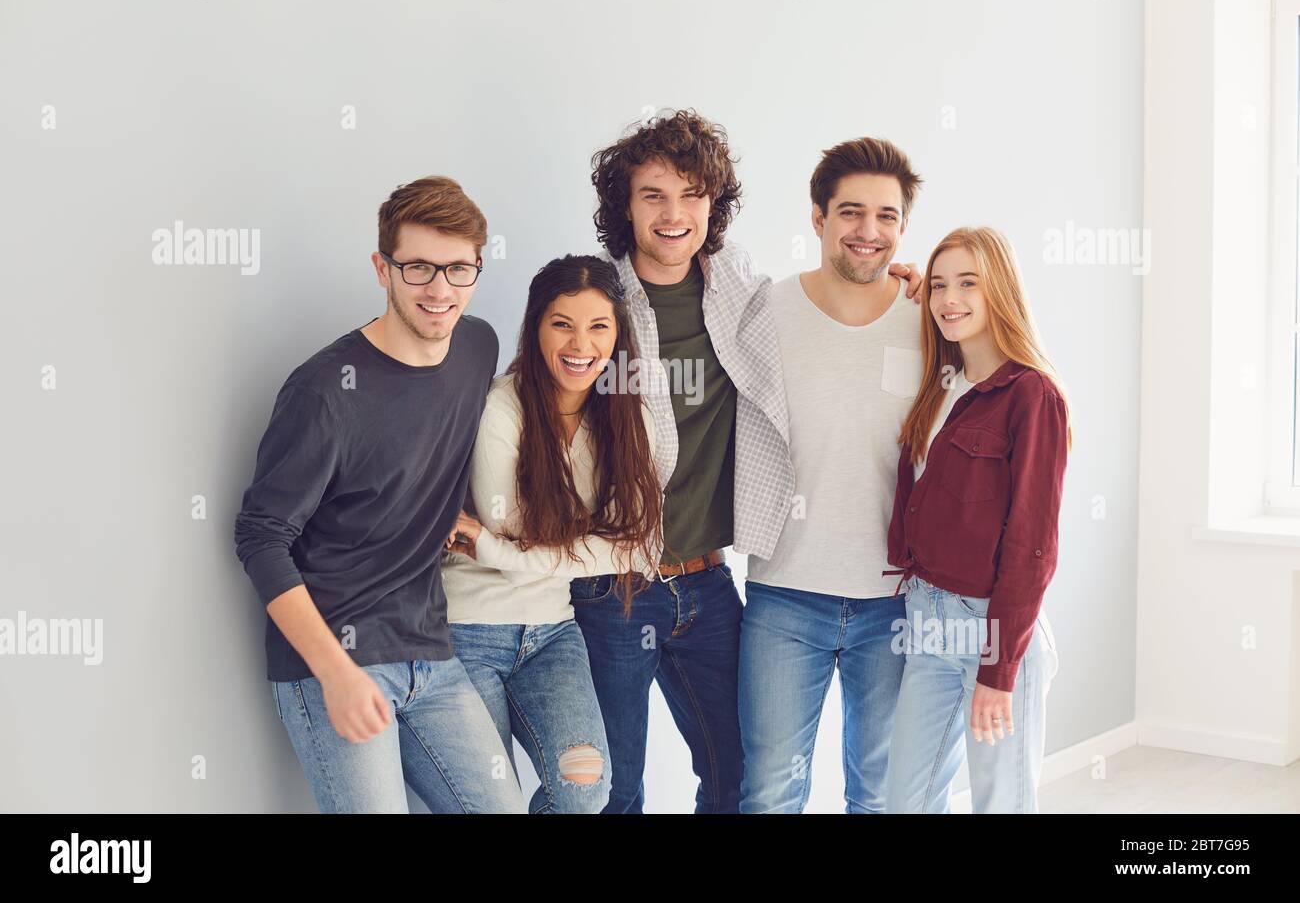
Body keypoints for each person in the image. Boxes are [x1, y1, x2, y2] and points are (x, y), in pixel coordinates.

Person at [577, 109, 922, 812]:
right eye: (654, 196)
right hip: (615, 586)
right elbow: (533, 403)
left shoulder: (736, 292)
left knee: (740, 782)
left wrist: (921, 285)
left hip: (708, 587)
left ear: (714, 205)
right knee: (610, 790)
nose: (675, 214)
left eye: (692, 195)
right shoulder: (597, 300)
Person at [233, 176, 524, 813]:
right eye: (418, 267)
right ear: (382, 268)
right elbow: (259, 536)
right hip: (333, 656)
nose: (439, 290)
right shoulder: (323, 393)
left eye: (458, 269)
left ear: (478, 267)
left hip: (430, 650)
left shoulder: (478, 346)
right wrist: (335, 672)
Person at [740, 137, 924, 813]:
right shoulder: (765, 315)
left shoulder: (930, 317)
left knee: (878, 794)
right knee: (769, 793)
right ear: (818, 218)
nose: (868, 232)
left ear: (903, 227)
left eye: (886, 216)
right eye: (851, 212)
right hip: (785, 595)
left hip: (896, 600)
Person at [441, 254, 663, 813]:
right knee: (491, 803)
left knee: (584, 791)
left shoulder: (627, 417)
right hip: (469, 630)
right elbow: (510, 524)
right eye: (562, 323)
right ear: (536, 326)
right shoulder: (502, 406)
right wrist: (592, 541)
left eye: (599, 326)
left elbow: (640, 545)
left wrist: (498, 550)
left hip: (552, 631)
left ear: (619, 335)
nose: (580, 344)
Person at [884, 225, 1069, 814]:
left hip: (991, 627)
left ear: (1001, 292)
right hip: (926, 621)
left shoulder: (1032, 394)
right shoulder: (937, 386)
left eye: (968, 283)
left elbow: (1033, 544)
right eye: (939, 285)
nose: (948, 299)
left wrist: (1000, 669)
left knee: (1001, 803)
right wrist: (910, 284)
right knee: (905, 800)